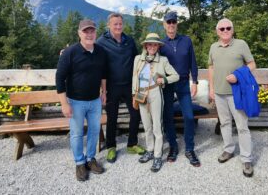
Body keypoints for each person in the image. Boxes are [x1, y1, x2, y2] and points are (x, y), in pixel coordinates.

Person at [56, 19, 107, 181]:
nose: (89, 34)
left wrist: (104, 92)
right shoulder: (70, 53)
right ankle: (79, 162)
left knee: (94, 131)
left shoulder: (100, 52)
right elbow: (59, 78)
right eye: (86, 31)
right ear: (79, 33)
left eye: (92, 31)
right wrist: (64, 103)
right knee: (77, 134)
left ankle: (90, 159)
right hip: (76, 102)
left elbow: (104, 74)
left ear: (95, 33)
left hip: (95, 100)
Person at [208, 18, 257, 177]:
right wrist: (211, 88)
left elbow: (252, 64)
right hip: (219, 93)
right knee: (224, 123)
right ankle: (228, 150)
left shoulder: (241, 44)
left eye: (228, 28)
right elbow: (211, 67)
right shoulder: (213, 47)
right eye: (221, 29)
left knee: (242, 126)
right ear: (217, 31)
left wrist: (237, 75)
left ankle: (246, 159)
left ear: (233, 29)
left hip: (238, 93)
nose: (225, 30)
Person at [97, 13, 145, 163]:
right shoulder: (101, 42)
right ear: (109, 25)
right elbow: (95, 60)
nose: (118, 27)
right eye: (115, 24)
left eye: (120, 24)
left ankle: (132, 144)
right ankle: (111, 147)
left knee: (136, 114)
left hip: (131, 86)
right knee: (112, 117)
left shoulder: (129, 40)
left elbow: (138, 60)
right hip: (111, 87)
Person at [132, 33, 179, 172]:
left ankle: (158, 156)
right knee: (147, 126)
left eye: (155, 44)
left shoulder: (163, 60)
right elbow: (134, 76)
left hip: (155, 93)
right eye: (150, 44)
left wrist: (163, 80)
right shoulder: (137, 59)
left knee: (157, 126)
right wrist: (134, 94)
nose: (152, 47)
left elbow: (176, 75)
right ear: (145, 45)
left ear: (158, 46)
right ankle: (150, 150)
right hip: (140, 94)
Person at [159, 11, 200, 167]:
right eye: (168, 22)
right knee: (167, 116)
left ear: (177, 24)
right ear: (164, 25)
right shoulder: (161, 44)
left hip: (183, 83)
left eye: (173, 22)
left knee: (189, 116)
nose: (171, 25)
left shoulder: (186, 40)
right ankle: (173, 147)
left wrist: (194, 81)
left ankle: (189, 149)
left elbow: (193, 63)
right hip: (168, 84)